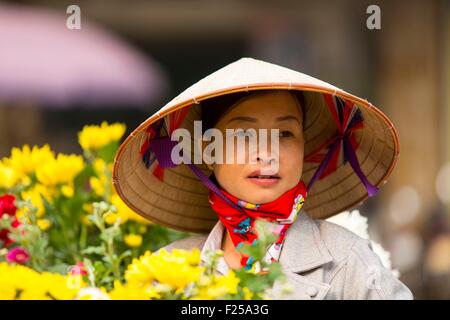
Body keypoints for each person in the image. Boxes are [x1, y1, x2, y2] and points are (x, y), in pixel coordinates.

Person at [113, 57, 413, 299]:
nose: (266, 153)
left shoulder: (348, 260)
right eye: (244, 134)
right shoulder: (165, 270)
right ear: (207, 150)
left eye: (284, 134)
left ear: (304, 147)